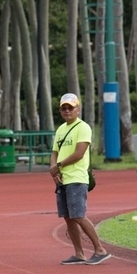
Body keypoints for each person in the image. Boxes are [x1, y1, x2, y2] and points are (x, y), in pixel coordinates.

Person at [50, 93, 111, 265]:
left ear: (78, 109)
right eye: (64, 108)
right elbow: (54, 152)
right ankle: (79, 253)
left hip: (76, 177)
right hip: (62, 179)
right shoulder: (61, 129)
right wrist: (54, 170)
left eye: (71, 107)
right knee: (68, 217)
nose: (67, 111)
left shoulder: (83, 127)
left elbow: (79, 153)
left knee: (78, 215)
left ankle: (100, 249)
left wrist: (58, 166)